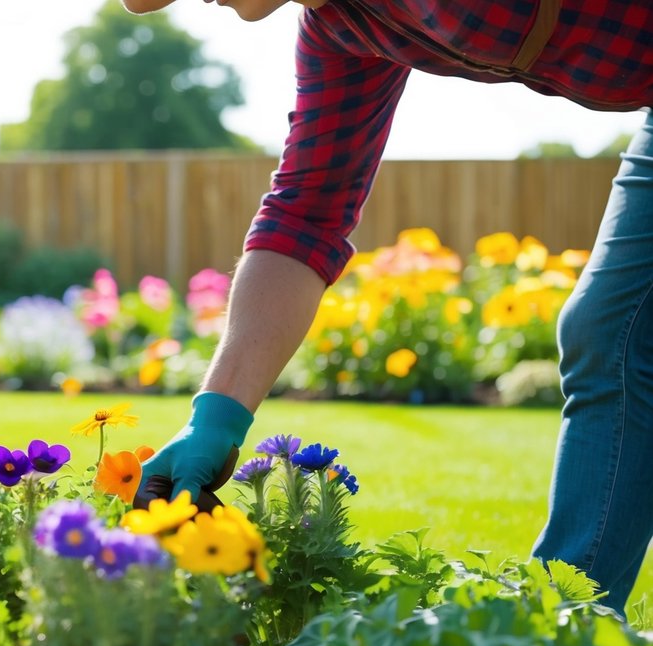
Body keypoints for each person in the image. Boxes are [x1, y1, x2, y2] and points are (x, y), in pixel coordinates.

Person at [124, 0, 653, 612]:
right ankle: (563, 633)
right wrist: (215, 418)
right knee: (610, 333)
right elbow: (304, 217)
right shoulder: (344, 27)